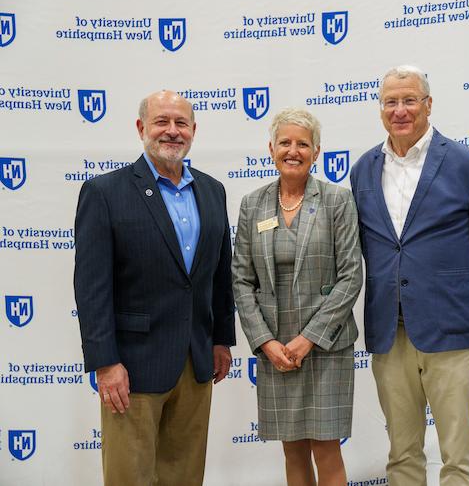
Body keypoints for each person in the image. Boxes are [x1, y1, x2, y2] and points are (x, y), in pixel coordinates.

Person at [350, 65, 469, 486]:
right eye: (391, 102)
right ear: (381, 108)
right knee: (401, 454)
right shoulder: (363, 169)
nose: (400, 111)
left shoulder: (467, 163)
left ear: (428, 104)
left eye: (409, 100)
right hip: (388, 330)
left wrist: (455, 297)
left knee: (458, 456)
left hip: (450, 330)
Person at [73, 90, 236, 485]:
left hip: (196, 364)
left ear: (194, 131)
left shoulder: (212, 191)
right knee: (129, 476)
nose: (172, 131)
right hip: (132, 367)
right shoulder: (105, 193)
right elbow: (91, 287)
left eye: (181, 123)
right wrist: (105, 362)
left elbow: (219, 274)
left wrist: (220, 340)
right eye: (162, 121)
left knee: (184, 475)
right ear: (141, 127)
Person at [232, 108, 362, 486]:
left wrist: (308, 339)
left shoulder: (337, 201)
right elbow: (241, 280)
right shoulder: (252, 205)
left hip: (326, 344)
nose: (293, 150)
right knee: (292, 448)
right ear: (270, 148)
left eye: (302, 144)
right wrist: (266, 342)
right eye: (285, 142)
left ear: (316, 151)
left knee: (326, 447)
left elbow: (351, 275)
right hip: (276, 348)